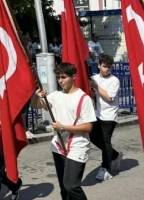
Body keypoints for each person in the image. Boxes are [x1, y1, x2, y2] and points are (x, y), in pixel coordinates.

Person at [32, 63, 96, 200]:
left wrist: (63, 128)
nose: (60, 81)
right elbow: (36, 105)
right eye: (58, 78)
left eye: (63, 77)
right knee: (64, 189)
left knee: (71, 186)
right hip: (58, 146)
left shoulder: (84, 98)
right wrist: (37, 96)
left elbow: (88, 127)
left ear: (74, 77)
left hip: (77, 145)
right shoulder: (55, 95)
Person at [88, 54, 123, 181]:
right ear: (98, 65)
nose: (107, 69)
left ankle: (105, 168)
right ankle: (114, 155)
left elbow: (109, 98)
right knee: (93, 137)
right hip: (97, 114)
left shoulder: (114, 80)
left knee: (105, 140)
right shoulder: (94, 78)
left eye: (109, 67)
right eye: (104, 66)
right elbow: (92, 95)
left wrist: (96, 87)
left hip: (109, 115)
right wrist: (91, 90)